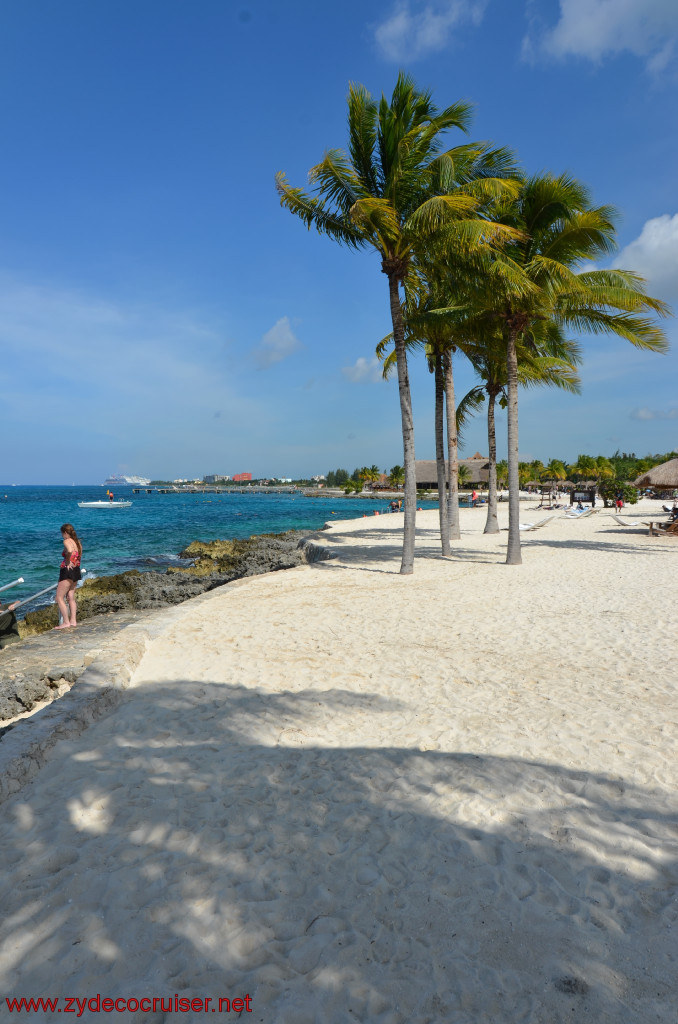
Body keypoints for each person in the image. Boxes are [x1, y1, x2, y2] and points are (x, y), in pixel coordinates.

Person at [55, 523, 82, 630]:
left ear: (65, 533)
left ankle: (66, 622)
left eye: (62, 533)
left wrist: (67, 561)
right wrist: (74, 562)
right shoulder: (78, 542)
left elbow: (70, 551)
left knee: (59, 597)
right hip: (76, 570)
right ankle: (73, 621)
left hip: (67, 571)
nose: (62, 536)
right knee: (71, 596)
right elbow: (79, 556)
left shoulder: (66, 541)